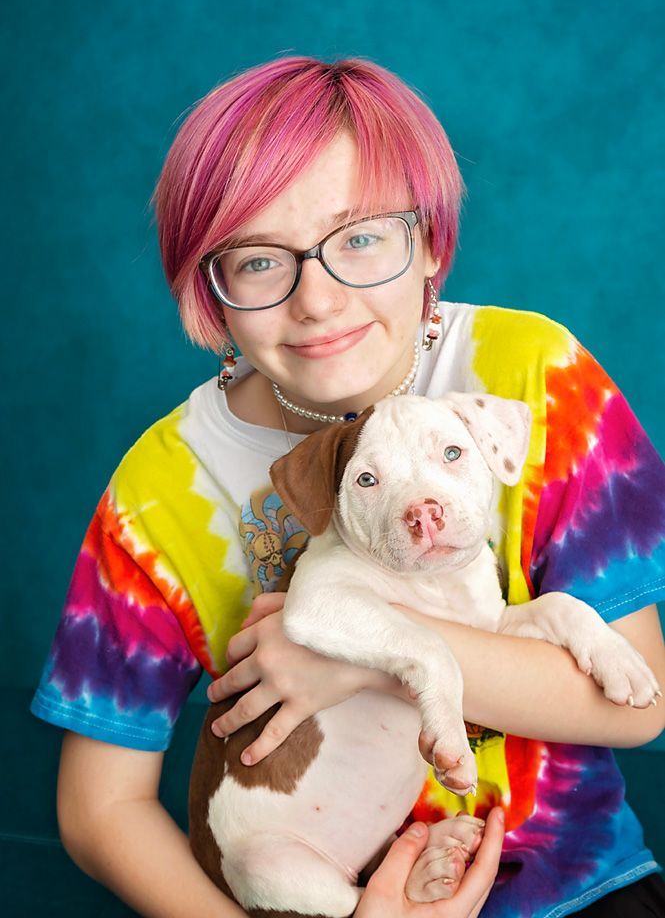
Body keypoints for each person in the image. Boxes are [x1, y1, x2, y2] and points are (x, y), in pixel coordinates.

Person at [31, 57, 665, 918]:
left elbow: (637, 705)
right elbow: (99, 810)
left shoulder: (532, 376)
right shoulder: (161, 488)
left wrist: (359, 661)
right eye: (259, 259)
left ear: (430, 241)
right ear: (210, 291)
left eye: (360, 238)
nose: (319, 303)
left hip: (572, 886)